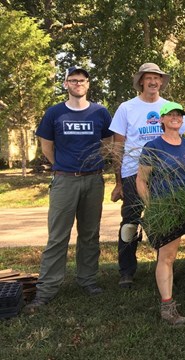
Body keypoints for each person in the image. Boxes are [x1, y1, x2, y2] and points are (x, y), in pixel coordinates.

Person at [109, 63, 185, 292]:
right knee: (131, 223)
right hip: (135, 173)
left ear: (162, 82)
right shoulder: (126, 107)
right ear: (141, 81)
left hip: (168, 175)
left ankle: (163, 265)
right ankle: (126, 272)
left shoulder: (170, 108)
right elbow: (117, 146)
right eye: (148, 78)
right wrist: (118, 181)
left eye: (157, 78)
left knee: (166, 219)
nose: (153, 82)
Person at [25, 66, 113, 312]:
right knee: (58, 236)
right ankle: (47, 289)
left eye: (82, 80)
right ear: (65, 84)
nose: (78, 84)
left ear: (88, 84)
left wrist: (93, 165)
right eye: (73, 80)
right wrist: (62, 167)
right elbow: (47, 147)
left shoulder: (100, 112)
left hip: (93, 180)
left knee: (89, 234)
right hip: (64, 180)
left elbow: (107, 144)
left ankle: (88, 280)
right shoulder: (55, 113)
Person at [136, 102, 185, 326]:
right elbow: (141, 180)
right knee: (167, 257)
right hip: (167, 208)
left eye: (179, 115)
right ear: (161, 120)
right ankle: (167, 306)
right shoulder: (153, 147)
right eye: (170, 115)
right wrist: (151, 205)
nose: (175, 118)